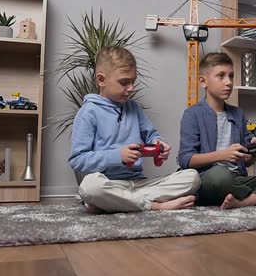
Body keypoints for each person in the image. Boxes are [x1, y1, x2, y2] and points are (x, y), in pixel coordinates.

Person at [69, 46, 200, 213]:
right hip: (108, 182)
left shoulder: (133, 108)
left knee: (192, 177)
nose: (131, 88)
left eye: (133, 81)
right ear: (101, 80)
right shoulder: (88, 113)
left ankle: (115, 203)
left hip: (138, 184)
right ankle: (154, 205)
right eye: (124, 82)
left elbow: (151, 135)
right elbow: (78, 160)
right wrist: (118, 156)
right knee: (90, 187)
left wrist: (158, 144)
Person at [178, 52, 256, 210]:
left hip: (238, 181)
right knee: (220, 175)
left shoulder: (238, 114)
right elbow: (185, 159)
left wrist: (254, 153)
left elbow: (247, 161)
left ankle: (246, 201)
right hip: (209, 180)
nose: (228, 82)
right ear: (203, 82)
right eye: (221, 76)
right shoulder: (192, 114)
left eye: (231, 76)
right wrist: (222, 155)